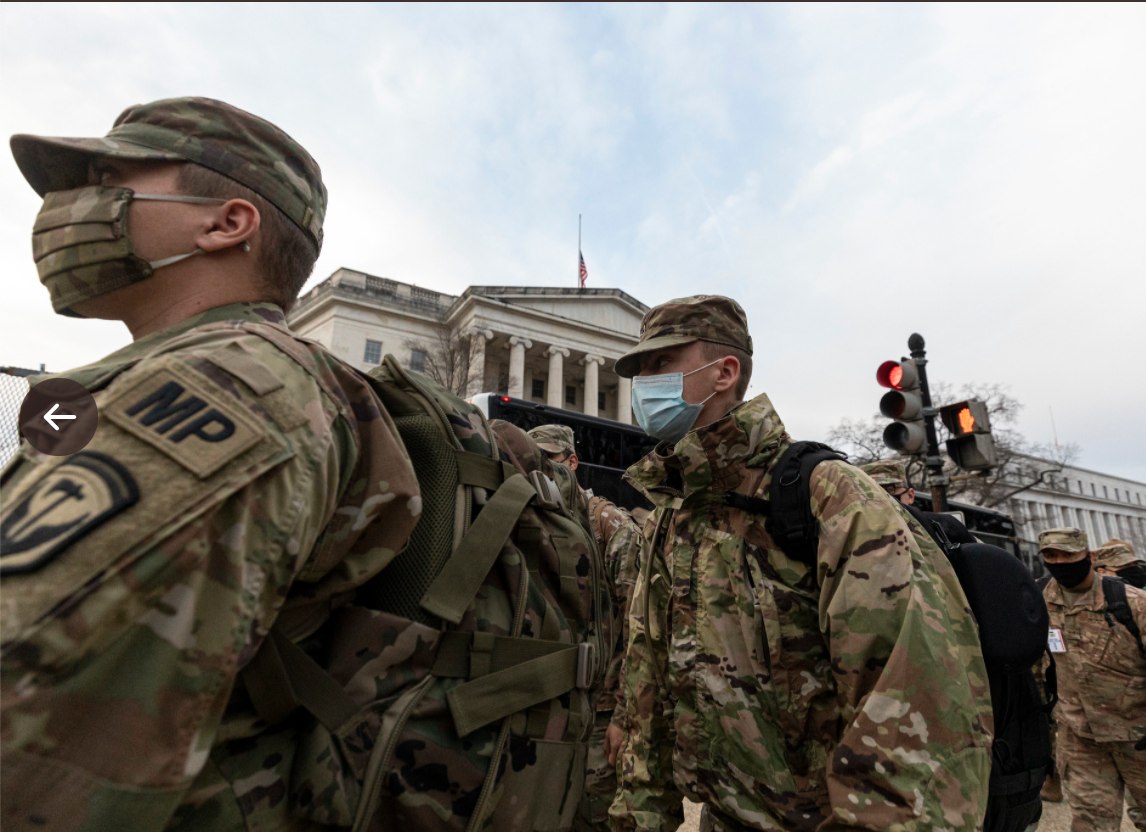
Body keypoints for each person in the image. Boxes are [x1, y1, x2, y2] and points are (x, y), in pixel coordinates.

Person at [0, 97, 422, 831]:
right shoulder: (197, 370)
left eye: (108, 178)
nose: (71, 206)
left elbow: (24, 696)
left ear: (227, 224)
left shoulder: (227, 385)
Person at [607, 295, 993, 832]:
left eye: (661, 364)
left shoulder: (827, 495)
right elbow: (648, 683)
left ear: (724, 372)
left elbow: (915, 708)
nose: (644, 384)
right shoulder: (672, 517)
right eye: (640, 369)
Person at [529, 424, 643, 832]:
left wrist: (624, 716)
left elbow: (639, 628)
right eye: (533, 462)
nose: (540, 471)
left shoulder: (611, 527)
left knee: (597, 817)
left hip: (601, 712)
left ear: (572, 463)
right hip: (549, 707)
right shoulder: (533, 522)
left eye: (550, 461)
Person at [1038, 527, 1146, 832]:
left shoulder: (1132, 602)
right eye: (1051, 555)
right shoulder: (1039, 604)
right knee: (1090, 823)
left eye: (1069, 554)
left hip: (1137, 735)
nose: (1060, 562)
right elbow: (1037, 666)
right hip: (1081, 738)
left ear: (1090, 556)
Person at [860, 458, 977, 548]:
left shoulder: (942, 526)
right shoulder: (853, 536)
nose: (882, 498)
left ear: (910, 496)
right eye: (872, 492)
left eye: (889, 490)